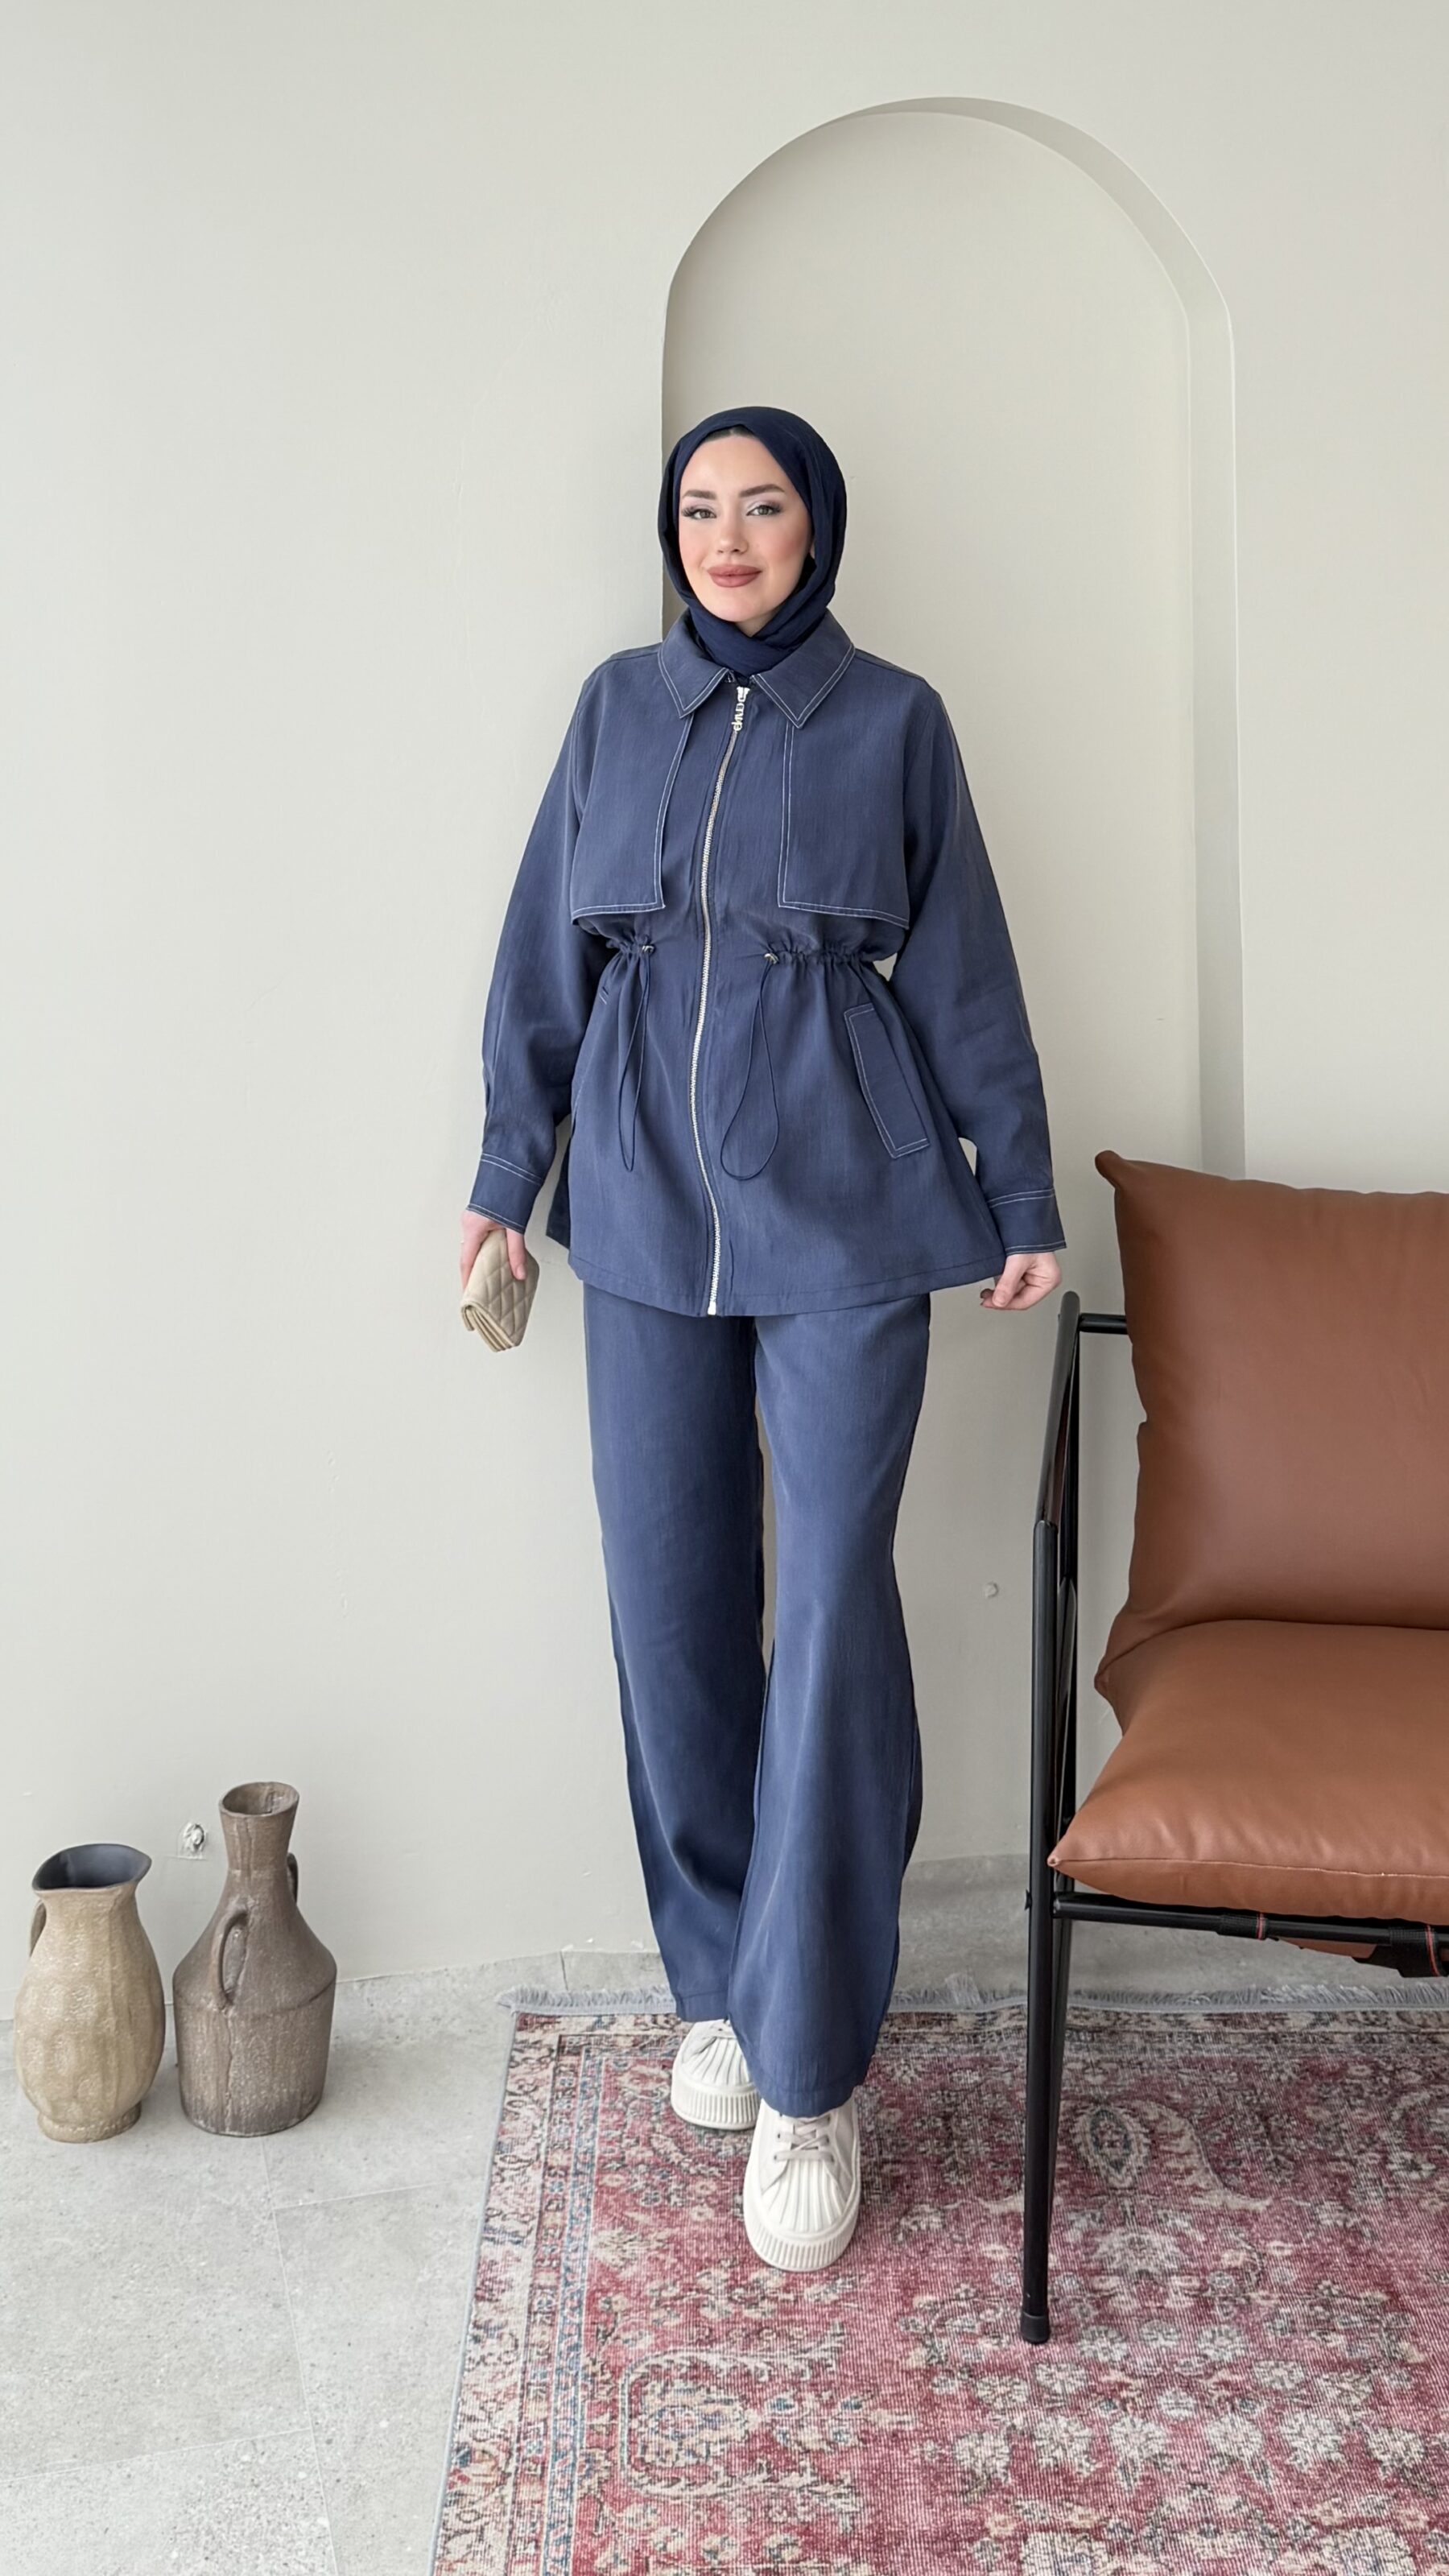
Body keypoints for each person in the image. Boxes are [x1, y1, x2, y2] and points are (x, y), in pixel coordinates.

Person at [460, 403, 1064, 2273]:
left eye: (764, 506)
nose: (728, 536)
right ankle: (724, 1977)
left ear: (819, 529)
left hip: (852, 1204)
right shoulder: (614, 710)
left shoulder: (895, 720)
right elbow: (544, 957)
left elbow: (965, 962)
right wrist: (502, 1176)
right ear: (674, 534)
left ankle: (811, 2071)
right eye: (700, 508)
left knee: (835, 1615)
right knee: (670, 1613)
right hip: (641, 1201)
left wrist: (1020, 1187)